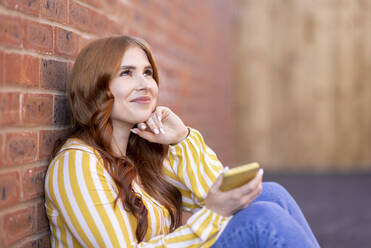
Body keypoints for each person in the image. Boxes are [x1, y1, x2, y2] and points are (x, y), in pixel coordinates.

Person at [44, 35, 320, 248]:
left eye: (148, 73)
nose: (144, 84)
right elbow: (211, 210)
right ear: (95, 86)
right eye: (126, 73)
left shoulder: (140, 156)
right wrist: (214, 211)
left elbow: (209, 192)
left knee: (270, 194)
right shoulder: (77, 163)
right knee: (263, 221)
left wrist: (182, 139)